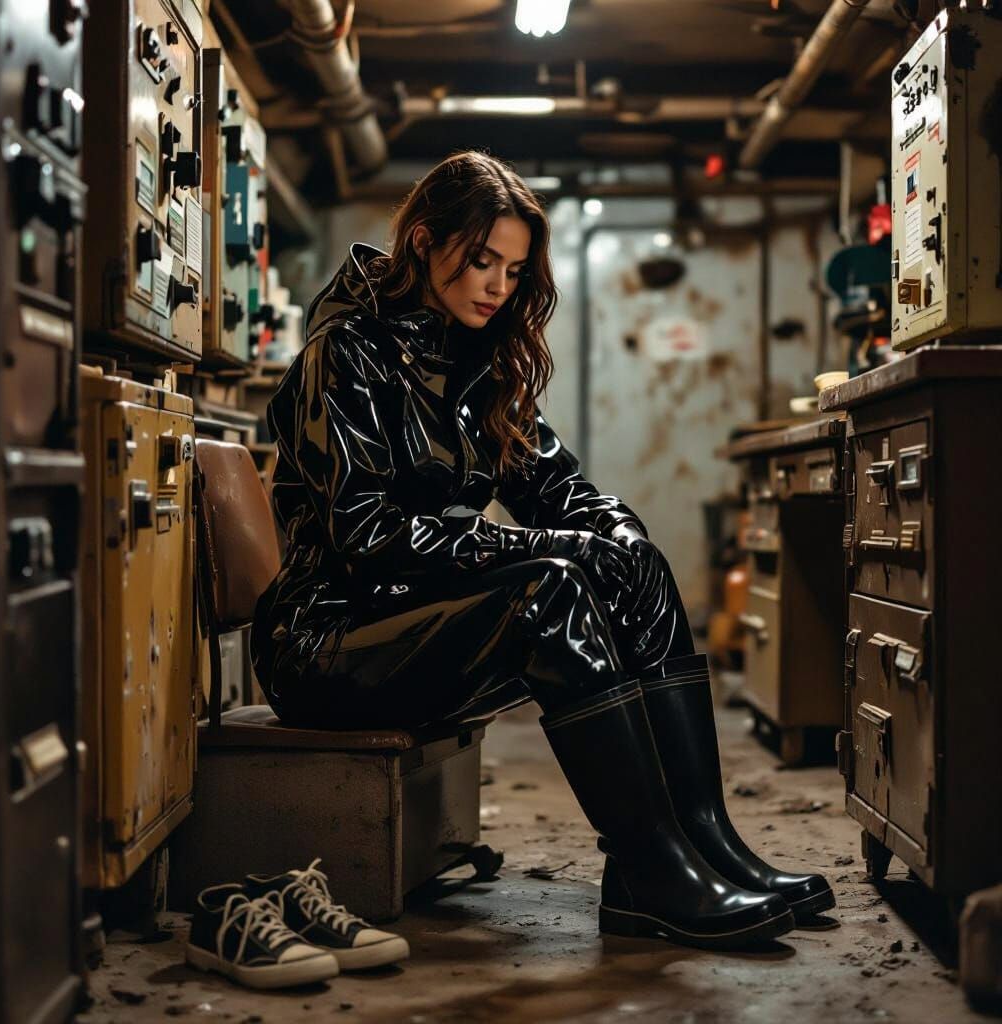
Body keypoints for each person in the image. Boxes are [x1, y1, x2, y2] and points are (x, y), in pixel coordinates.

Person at [251, 150, 833, 950]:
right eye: (482, 260)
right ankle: (651, 862)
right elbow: (368, 539)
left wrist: (619, 535)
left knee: (638, 567)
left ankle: (703, 842)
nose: (498, 285)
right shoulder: (346, 353)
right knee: (550, 589)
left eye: (515, 270)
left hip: (419, 627)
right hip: (328, 640)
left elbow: (562, 491)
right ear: (423, 243)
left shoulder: (475, 360)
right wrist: (551, 546)